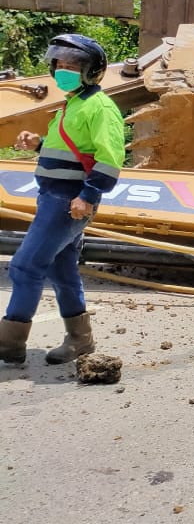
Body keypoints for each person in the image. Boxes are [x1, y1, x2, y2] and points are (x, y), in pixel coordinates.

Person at [0, 35, 125, 365]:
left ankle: (9, 345)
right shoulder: (74, 103)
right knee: (61, 270)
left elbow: (110, 157)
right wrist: (38, 143)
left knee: (25, 267)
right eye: (59, 65)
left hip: (68, 201)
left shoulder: (100, 107)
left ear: (90, 72)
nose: (63, 72)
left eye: (72, 67)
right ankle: (80, 341)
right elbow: (72, 151)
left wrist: (89, 195)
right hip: (54, 198)